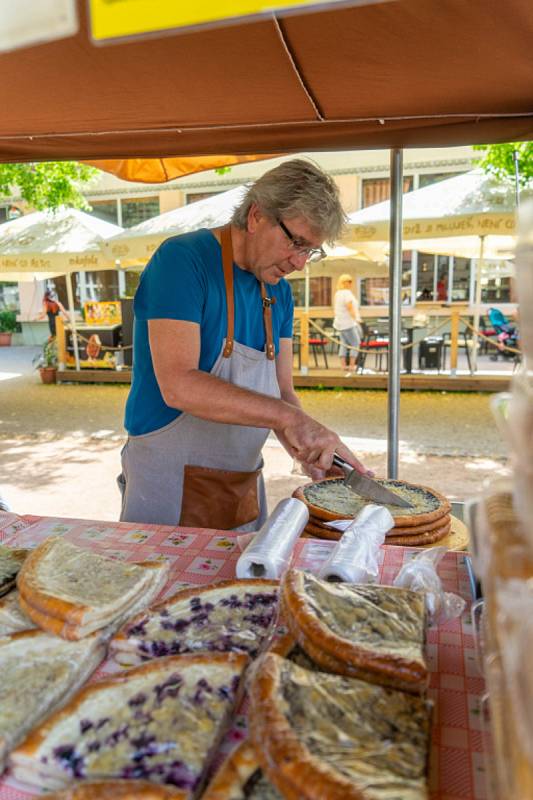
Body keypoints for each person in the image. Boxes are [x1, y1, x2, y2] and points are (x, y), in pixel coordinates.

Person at [118, 159, 370, 530]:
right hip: (166, 483)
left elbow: (283, 392)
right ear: (256, 216)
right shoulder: (183, 261)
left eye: (311, 251)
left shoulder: (279, 294)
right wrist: (291, 419)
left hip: (242, 483)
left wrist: (310, 448)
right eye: (296, 242)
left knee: (242, 584)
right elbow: (178, 384)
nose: (300, 263)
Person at [332, 274, 362, 376]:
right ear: (344, 282)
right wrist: (357, 319)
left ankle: (343, 365)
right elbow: (350, 307)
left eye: (351, 281)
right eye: (349, 281)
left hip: (339, 323)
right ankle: (352, 365)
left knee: (343, 343)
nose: (351, 283)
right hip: (348, 323)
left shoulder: (338, 293)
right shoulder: (347, 293)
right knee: (355, 343)